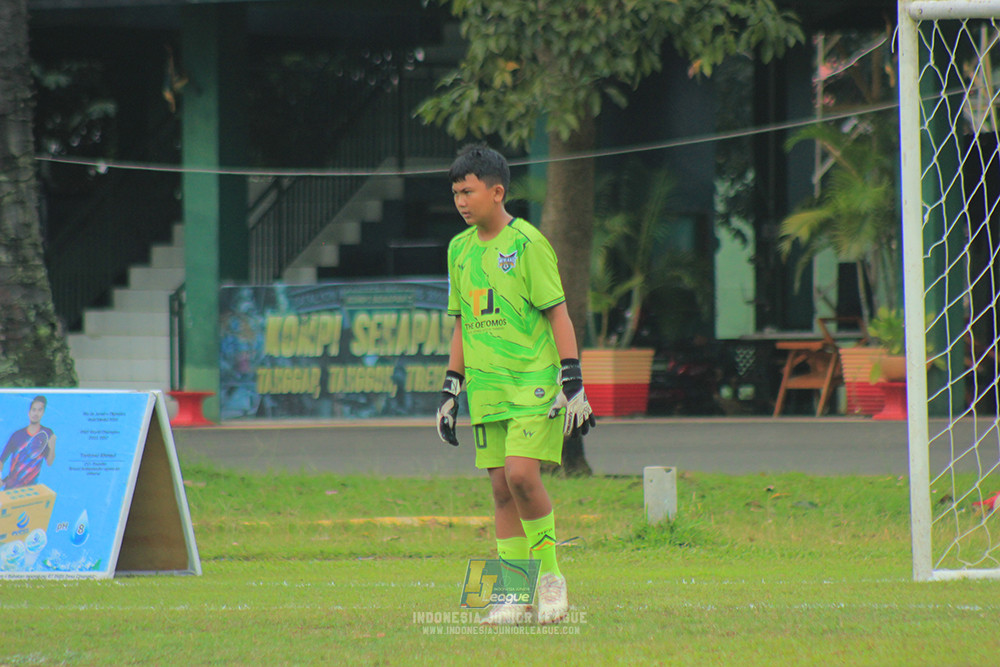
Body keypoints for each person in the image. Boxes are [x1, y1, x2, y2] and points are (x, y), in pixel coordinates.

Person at [436, 144, 596, 626]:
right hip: (487, 391)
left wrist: (574, 381)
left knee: (523, 476)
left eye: (468, 191)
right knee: (502, 490)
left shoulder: (527, 244)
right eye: (455, 193)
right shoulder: (459, 250)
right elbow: (462, 323)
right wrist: (450, 390)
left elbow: (558, 313)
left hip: (534, 385)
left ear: (496, 191)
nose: (461, 201)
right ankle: (513, 594)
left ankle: (550, 582)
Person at [1, 395, 57, 490]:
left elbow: (49, 462)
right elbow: (1, 460)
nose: (36, 413)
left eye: (40, 410)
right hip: (11, 488)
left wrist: (52, 446)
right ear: (29, 412)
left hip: (31, 489)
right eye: (34, 409)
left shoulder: (47, 433)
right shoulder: (17, 435)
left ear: (43, 412)